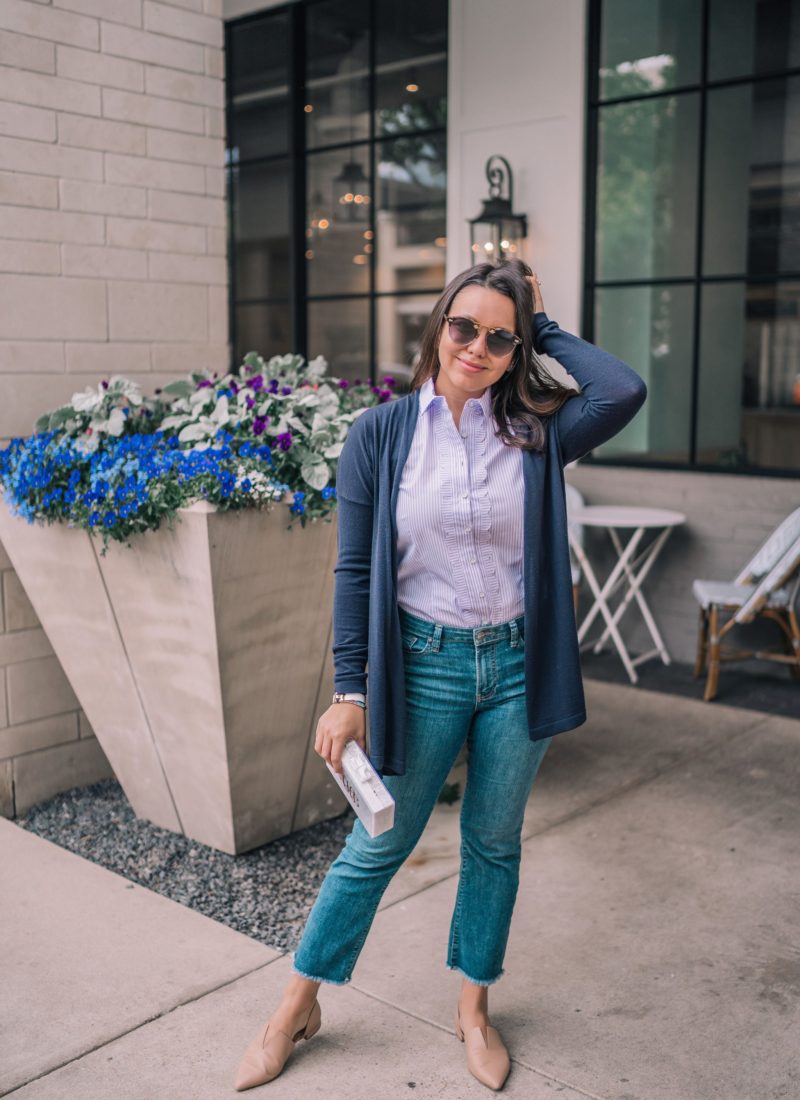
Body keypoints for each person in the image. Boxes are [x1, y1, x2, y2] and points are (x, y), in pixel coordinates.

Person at [233, 259, 647, 1092]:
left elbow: (623, 391)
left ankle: (473, 1008)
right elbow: (355, 573)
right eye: (465, 327)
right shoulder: (380, 435)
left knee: (494, 844)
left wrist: (543, 320)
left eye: (502, 337)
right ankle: (295, 1005)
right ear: (437, 326)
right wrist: (350, 693)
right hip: (423, 668)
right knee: (375, 843)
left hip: (518, 667)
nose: (480, 348)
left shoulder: (538, 427)